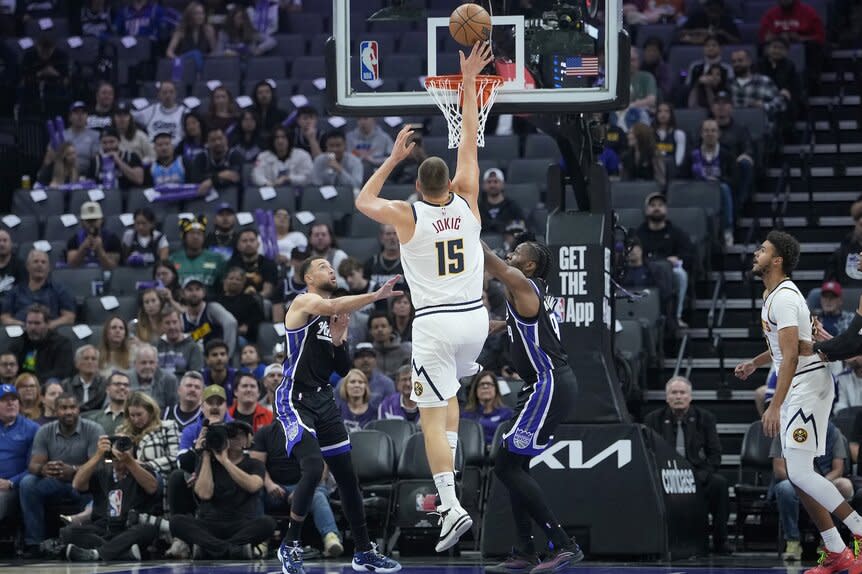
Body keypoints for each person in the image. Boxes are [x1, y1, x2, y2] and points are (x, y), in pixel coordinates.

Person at [354, 42, 493, 554]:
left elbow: (361, 200)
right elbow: (470, 140)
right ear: (449, 183)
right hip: (475, 322)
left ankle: (451, 507)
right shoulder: (470, 196)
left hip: (435, 324)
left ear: (416, 182)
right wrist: (469, 81)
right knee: (449, 402)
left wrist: (391, 156)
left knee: (429, 415)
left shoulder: (408, 215)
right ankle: (452, 497)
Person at [734, 231, 862, 573]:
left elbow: (791, 356)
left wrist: (774, 404)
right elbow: (782, 348)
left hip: (806, 386)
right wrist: (756, 363)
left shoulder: (785, 298)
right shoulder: (772, 294)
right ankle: (836, 551)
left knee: (801, 473)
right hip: (799, 386)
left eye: (762, 250)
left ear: (777, 260)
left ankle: (858, 531)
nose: (755, 254)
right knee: (797, 473)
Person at [274, 257, 402, 573]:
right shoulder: (304, 302)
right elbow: (334, 306)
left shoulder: (331, 317)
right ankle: (289, 544)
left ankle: (363, 550)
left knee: (347, 476)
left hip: (323, 399)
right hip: (296, 398)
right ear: (308, 277)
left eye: (332, 266)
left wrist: (339, 341)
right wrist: (374, 296)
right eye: (323, 266)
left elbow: (343, 370)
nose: (331, 269)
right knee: (314, 466)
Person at [479, 238, 583, 573]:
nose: (510, 254)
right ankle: (525, 551)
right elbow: (506, 326)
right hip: (541, 386)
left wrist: (460, 218)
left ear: (529, 266)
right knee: (515, 467)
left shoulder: (523, 286)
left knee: (506, 465)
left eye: (517, 253)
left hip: (547, 384)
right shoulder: (525, 296)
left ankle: (565, 544)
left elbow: (491, 262)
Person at [644, 376, 729, 554]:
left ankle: (721, 541)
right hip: (665, 477)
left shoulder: (705, 418)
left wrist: (701, 476)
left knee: (719, 484)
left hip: (697, 475)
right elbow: (647, 454)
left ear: (690, 397)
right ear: (667, 397)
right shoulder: (653, 419)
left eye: (682, 393)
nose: (678, 396)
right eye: (674, 393)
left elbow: (715, 454)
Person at [169, 420, 276, 559]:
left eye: (240, 435)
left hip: (241, 524)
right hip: (209, 523)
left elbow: (253, 485)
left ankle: (210, 548)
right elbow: (204, 494)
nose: (235, 439)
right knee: (176, 522)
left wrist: (225, 461)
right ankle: (232, 549)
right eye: (230, 435)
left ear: (247, 441)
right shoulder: (208, 462)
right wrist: (206, 455)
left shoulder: (254, 464)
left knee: (268, 523)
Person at [19, 393, 102, 556]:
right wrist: (44, 469)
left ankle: (89, 541)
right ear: (56, 411)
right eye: (63, 408)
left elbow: (98, 465)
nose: (68, 412)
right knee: (27, 483)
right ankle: (34, 543)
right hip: (54, 481)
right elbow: (33, 464)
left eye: (72, 407)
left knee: (98, 482)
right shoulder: (45, 431)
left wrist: (74, 470)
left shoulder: (93, 429)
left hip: (83, 483)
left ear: (78, 409)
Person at [61, 431, 161, 562]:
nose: (119, 447)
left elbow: (152, 487)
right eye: (115, 442)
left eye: (123, 443)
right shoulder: (103, 470)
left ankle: (97, 554)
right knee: (68, 532)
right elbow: (77, 484)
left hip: (129, 528)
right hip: (103, 528)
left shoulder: (142, 468)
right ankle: (122, 553)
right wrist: (98, 455)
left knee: (148, 529)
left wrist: (129, 461)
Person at [251, 421, 344, 557]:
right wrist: (269, 484)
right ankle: (260, 540)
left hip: (307, 485)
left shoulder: (311, 432)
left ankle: (331, 538)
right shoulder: (264, 433)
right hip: (275, 488)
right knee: (255, 492)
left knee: (318, 495)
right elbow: (257, 465)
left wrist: (303, 489)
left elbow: (321, 467)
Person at [771, 422, 852, 561]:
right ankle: (792, 541)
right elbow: (779, 469)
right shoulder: (785, 430)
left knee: (844, 485)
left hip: (824, 479)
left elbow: (838, 469)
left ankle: (829, 542)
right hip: (793, 481)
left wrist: (818, 484)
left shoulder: (833, 431)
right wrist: (802, 482)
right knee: (785, 488)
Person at [635, 193, 694, 327]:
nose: (657, 208)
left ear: (666, 209)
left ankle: (676, 316)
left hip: (670, 271)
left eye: (660, 205)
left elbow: (689, 255)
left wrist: (678, 259)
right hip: (646, 270)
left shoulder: (676, 233)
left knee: (681, 275)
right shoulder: (639, 234)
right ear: (646, 210)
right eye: (653, 205)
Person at [685, 119, 737, 246]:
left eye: (713, 131)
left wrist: (718, 181)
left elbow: (734, 179)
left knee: (724, 188)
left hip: (718, 190)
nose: (710, 134)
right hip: (697, 189)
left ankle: (727, 230)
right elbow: (683, 176)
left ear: (718, 134)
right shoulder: (693, 154)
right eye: (706, 131)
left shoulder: (727, 154)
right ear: (701, 134)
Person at [1, 250, 75, 328]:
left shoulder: (60, 290)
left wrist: (48, 326)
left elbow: (69, 317)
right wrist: (24, 326)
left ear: (49, 268)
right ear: (27, 266)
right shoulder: (15, 291)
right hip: (21, 334)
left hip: (50, 334)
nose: (40, 265)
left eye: (43, 262)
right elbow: (4, 318)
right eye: (35, 262)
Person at [119, 391, 180, 485]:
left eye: (139, 414)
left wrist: (145, 465)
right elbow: (109, 461)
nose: (136, 419)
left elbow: (175, 458)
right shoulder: (123, 432)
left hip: (158, 484)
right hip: (129, 487)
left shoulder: (167, 427)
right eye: (132, 415)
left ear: (150, 411)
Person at [0, 383, 40, 523]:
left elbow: (35, 467)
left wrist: (11, 482)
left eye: (14, 399)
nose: (10, 403)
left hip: (14, 487)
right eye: (4, 400)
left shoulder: (32, 429)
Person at [9, 304, 76, 382]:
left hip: (48, 386)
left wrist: (34, 382)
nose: (32, 327)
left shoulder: (62, 344)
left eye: (37, 323)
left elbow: (62, 372)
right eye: (29, 323)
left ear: (47, 324)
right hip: (22, 386)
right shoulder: (19, 343)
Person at [182, 279, 238, 356]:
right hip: (193, 361)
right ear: (183, 294)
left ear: (204, 293)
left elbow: (231, 323)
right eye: (190, 290)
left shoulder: (212, 308)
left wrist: (227, 355)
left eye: (197, 289)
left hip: (216, 359)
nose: (194, 293)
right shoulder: (181, 316)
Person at [461, 371, 513, 447]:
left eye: (489, 384)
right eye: (481, 384)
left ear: (496, 389)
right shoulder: (465, 415)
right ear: (475, 390)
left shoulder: (508, 414)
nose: (485, 387)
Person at [65, 201, 123, 270]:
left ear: (101, 220)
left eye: (94, 220)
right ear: (82, 221)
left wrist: (100, 250)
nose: (91, 223)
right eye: (88, 220)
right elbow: (71, 266)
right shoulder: (74, 239)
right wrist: (83, 248)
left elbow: (113, 268)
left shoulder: (112, 239)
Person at [171, 217, 226, 288]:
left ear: (204, 237)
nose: (195, 237)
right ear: (184, 237)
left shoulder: (217, 259)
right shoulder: (173, 259)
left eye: (199, 233)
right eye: (191, 233)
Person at [217, 267, 265, 345]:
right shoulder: (216, 300)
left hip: (241, 337)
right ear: (224, 281)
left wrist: (248, 326)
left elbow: (259, 319)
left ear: (243, 283)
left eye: (238, 279)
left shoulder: (250, 300)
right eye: (231, 278)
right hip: (218, 335)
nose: (234, 281)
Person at [189, 127, 243, 197]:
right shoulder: (201, 157)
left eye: (220, 138)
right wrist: (222, 175)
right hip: (205, 198)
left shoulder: (234, 155)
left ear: (226, 139)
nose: (217, 142)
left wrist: (211, 181)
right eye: (213, 140)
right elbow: (196, 179)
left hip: (231, 196)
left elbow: (235, 176)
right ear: (207, 142)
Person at [132, 81, 187, 148]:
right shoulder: (151, 110)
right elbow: (130, 117)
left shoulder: (184, 112)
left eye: (171, 92)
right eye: (164, 92)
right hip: (153, 151)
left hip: (175, 151)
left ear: (176, 94)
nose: (168, 95)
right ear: (159, 94)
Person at [227, 228, 278, 299]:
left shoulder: (268, 264)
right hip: (236, 300)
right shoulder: (231, 264)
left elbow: (268, 291)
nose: (248, 244)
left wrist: (252, 300)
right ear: (238, 246)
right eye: (244, 241)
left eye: (252, 240)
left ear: (258, 244)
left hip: (259, 301)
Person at [158, 309, 205, 379]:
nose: (172, 327)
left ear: (181, 323)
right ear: (162, 325)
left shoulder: (193, 347)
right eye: (167, 323)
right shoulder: (156, 346)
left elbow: (196, 377)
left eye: (175, 322)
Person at [130, 343, 178, 409]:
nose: (148, 366)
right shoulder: (126, 379)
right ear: (135, 364)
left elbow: (173, 409)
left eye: (151, 362)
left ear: (157, 363)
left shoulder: (169, 380)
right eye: (143, 363)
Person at [84, 370, 131, 435]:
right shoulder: (93, 419)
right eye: (117, 384)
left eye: (126, 385)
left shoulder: (134, 418)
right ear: (107, 389)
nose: (122, 387)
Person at [351, 343, 396, 410]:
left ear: (375, 360)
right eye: (361, 356)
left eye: (369, 356)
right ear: (354, 361)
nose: (365, 359)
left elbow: (392, 411)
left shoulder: (387, 384)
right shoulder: (343, 384)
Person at [367, 311, 411, 379]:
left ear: (391, 328)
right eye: (376, 327)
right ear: (370, 331)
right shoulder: (367, 354)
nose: (380, 330)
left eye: (383, 326)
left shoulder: (405, 350)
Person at [61, 345, 105, 413]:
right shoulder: (66, 385)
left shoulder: (104, 385)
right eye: (86, 358)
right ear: (76, 363)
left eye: (93, 359)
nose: (90, 362)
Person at [338, 368, 377, 433]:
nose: (357, 385)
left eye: (360, 382)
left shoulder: (375, 413)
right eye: (352, 382)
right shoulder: (338, 411)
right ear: (345, 386)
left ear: (365, 387)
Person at [202, 339, 239, 405]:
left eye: (222, 354)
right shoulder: (200, 377)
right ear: (207, 359)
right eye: (214, 355)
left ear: (228, 357)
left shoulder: (238, 376)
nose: (219, 358)